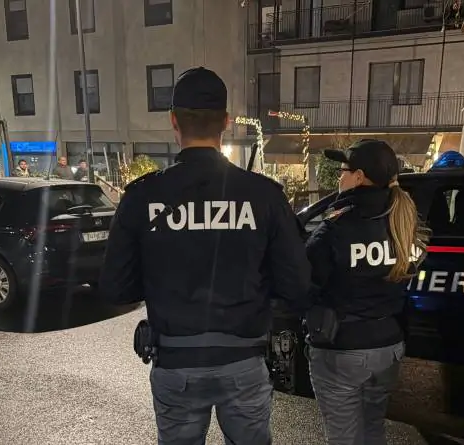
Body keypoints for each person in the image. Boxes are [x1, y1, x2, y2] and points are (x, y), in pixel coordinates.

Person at [98, 67, 311, 445]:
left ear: (174, 121)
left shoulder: (142, 196)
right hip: (243, 360)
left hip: (176, 360)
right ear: (226, 122)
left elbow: (116, 289)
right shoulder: (263, 195)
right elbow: (297, 285)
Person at [304, 139, 430, 445]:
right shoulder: (405, 222)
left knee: (344, 437)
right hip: (389, 345)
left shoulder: (337, 226)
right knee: (373, 430)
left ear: (359, 177)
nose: (340, 177)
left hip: (343, 348)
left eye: (343, 171)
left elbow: (304, 282)